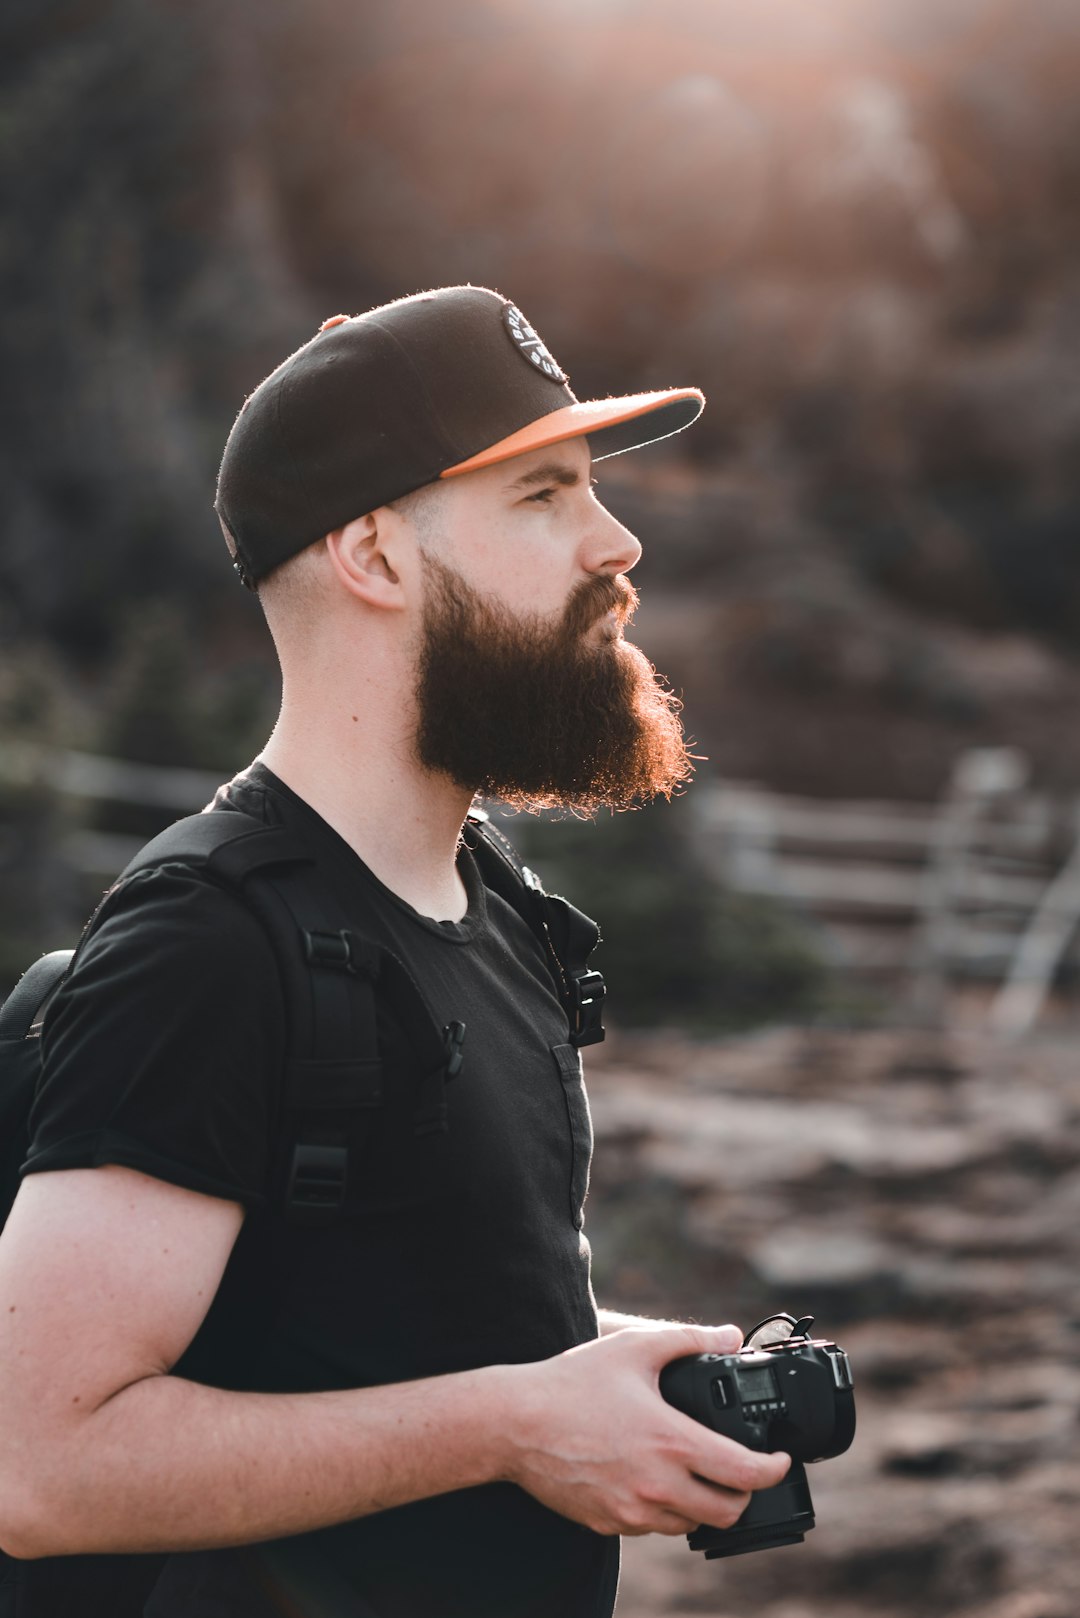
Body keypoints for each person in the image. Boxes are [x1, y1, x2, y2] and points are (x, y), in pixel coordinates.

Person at [0, 286, 789, 1618]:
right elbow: (39, 1459)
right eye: (544, 496)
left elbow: (356, 1323)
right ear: (372, 554)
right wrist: (516, 1424)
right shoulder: (207, 940)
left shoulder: (491, 899)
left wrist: (597, 1369)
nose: (618, 541)